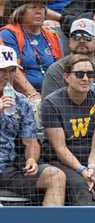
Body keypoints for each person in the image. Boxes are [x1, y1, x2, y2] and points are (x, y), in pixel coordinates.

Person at [41, 53, 95, 206]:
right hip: (63, 162)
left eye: (90, 74)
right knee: (81, 188)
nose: (85, 78)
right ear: (67, 77)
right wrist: (82, 170)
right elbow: (60, 148)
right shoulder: (51, 103)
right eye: (79, 74)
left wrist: (92, 168)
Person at [0, 46, 59, 205]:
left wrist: (32, 158)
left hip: (8, 169)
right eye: (2, 70)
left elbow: (30, 141)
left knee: (55, 177)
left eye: (11, 70)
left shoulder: (21, 102)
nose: (7, 76)